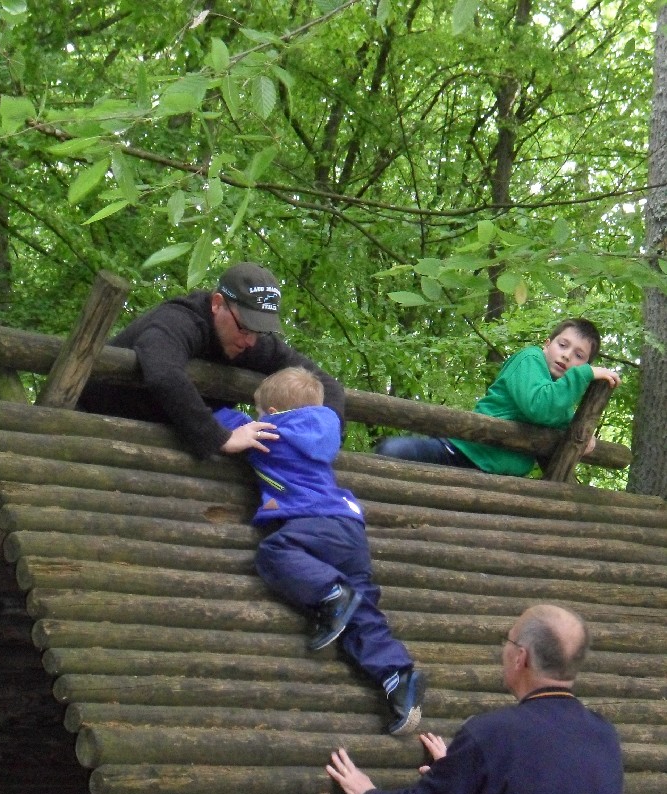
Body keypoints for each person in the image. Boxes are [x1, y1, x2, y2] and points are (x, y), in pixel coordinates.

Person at [327, 604, 624, 794]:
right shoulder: (604, 736)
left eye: (508, 641)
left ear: (521, 657)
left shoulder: (492, 734)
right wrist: (460, 771)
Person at [214, 366, 426, 735]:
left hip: (312, 522)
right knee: (362, 610)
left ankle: (331, 592)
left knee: (274, 552)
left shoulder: (270, 433)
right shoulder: (323, 434)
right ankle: (397, 675)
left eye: (260, 412)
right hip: (350, 530)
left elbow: (219, 420)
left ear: (273, 413)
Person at [78, 262, 344, 460]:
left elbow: (328, 385)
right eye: (245, 327)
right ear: (218, 304)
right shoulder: (179, 320)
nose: (251, 341)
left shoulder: (254, 341)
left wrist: (322, 438)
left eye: (259, 331)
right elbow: (163, 372)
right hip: (88, 428)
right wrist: (220, 437)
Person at [374, 318, 622, 476]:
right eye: (563, 345)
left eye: (579, 356)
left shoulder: (562, 398)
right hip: (460, 454)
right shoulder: (530, 359)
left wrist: (583, 435)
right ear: (547, 344)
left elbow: (561, 421)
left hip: (497, 478)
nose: (567, 356)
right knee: (392, 451)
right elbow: (539, 405)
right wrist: (584, 374)